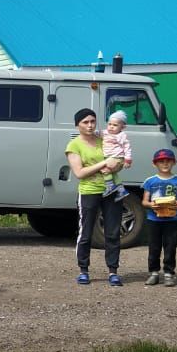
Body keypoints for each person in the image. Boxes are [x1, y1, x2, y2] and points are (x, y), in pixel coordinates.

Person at [65, 107, 124, 286]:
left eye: (92, 121)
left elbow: (118, 160)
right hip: (89, 191)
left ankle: (113, 271)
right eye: (85, 122)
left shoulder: (104, 138)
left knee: (113, 231)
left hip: (112, 189)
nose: (90, 125)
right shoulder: (74, 145)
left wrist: (116, 166)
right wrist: (104, 163)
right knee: (86, 232)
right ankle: (83, 270)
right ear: (77, 125)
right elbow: (79, 172)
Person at [139, 148, 177, 286]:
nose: (165, 164)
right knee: (154, 247)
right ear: (155, 164)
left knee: (170, 246)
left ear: (174, 162)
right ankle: (153, 273)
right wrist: (151, 205)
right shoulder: (150, 181)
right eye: (161, 161)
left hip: (172, 219)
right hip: (154, 219)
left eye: (168, 161)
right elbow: (144, 201)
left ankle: (168, 273)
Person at [101, 110, 133, 201]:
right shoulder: (105, 133)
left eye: (115, 125)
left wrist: (128, 160)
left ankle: (110, 186)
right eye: (109, 124)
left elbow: (127, 148)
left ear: (122, 127)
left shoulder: (121, 136)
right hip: (109, 158)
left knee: (105, 169)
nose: (111, 127)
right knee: (113, 173)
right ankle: (121, 190)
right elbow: (96, 134)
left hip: (117, 158)